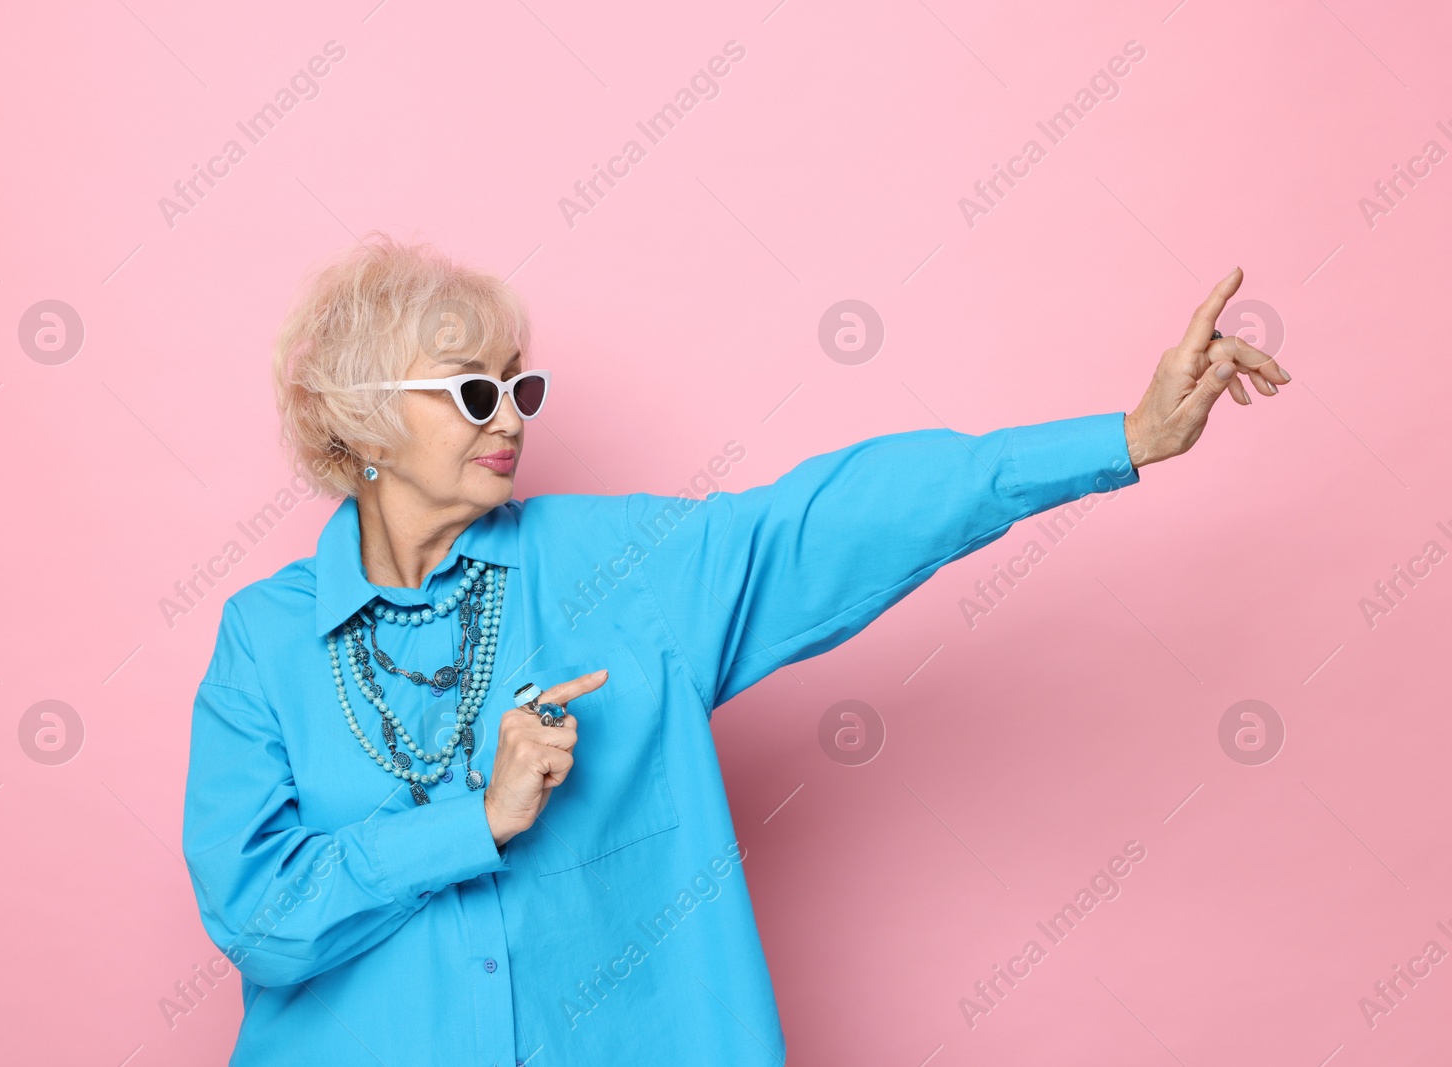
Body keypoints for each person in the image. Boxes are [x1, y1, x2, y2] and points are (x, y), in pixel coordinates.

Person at [181, 231, 1288, 1065]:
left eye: (521, 385)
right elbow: (258, 921)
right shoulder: (263, 640)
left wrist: (1119, 440)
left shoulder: (615, 568)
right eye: (475, 391)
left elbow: (821, 518)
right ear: (365, 418)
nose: (512, 417)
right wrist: (473, 821)